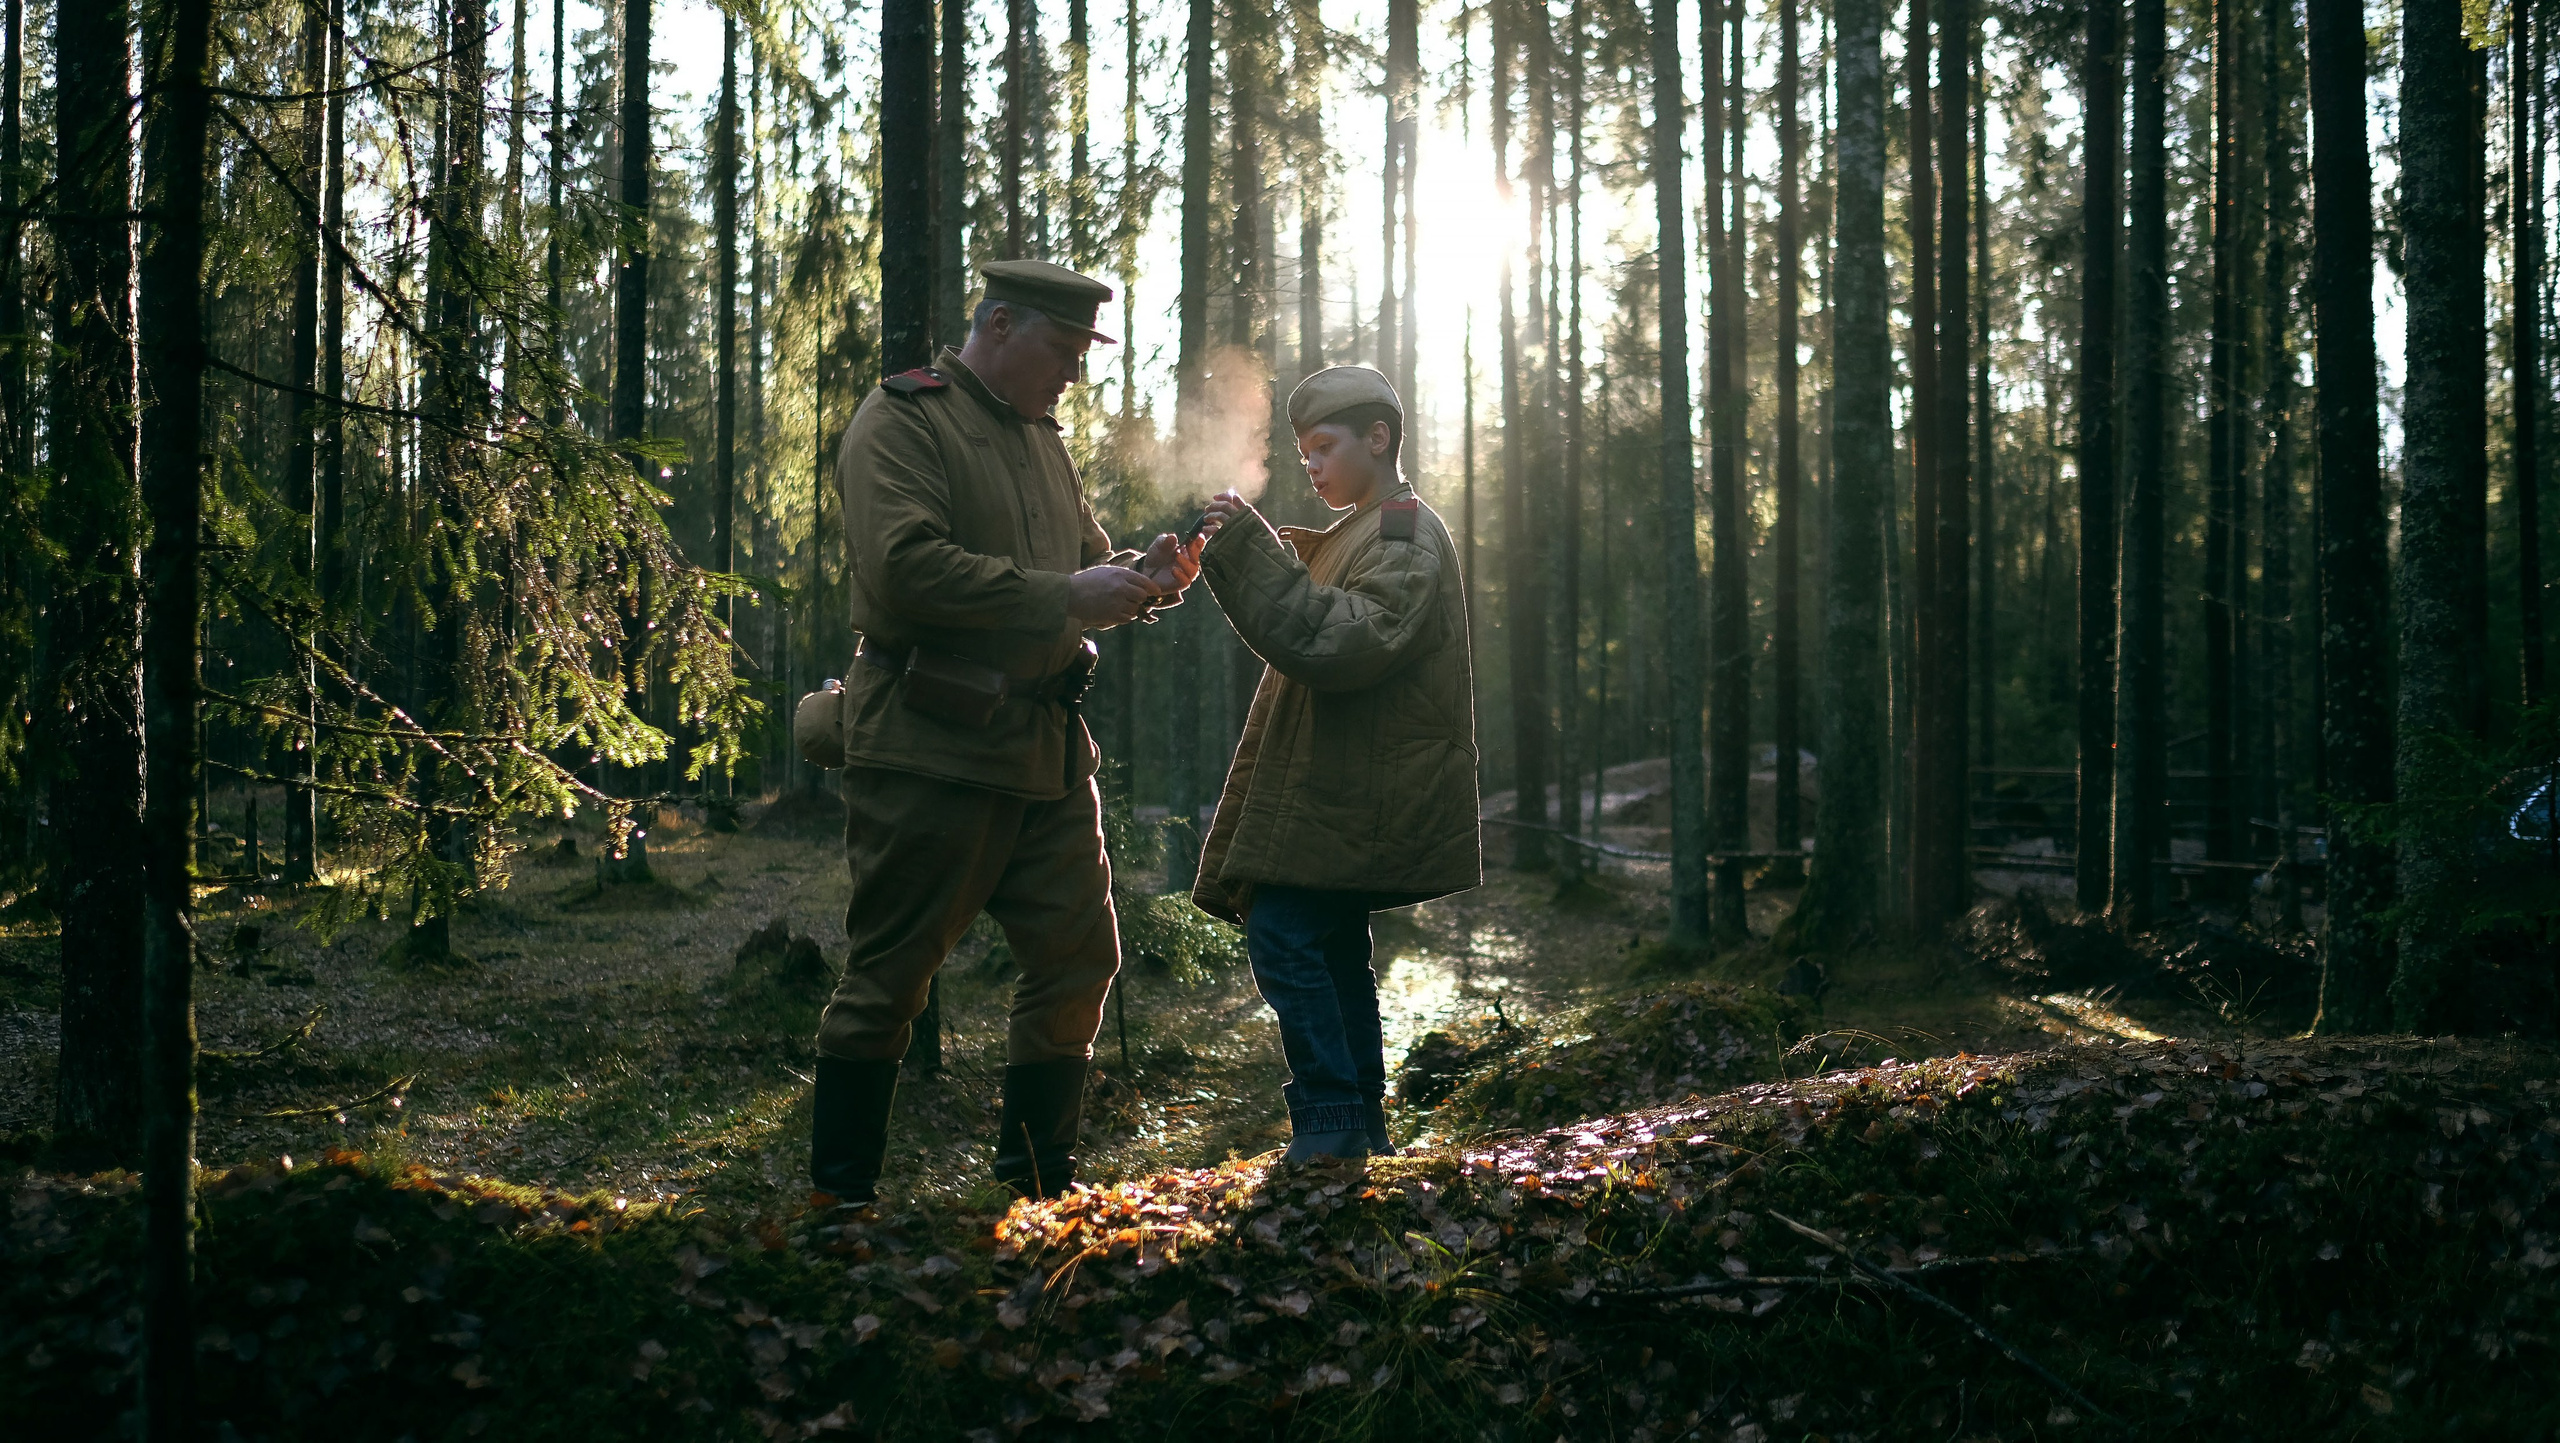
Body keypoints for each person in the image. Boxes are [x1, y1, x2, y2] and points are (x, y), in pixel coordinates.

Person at [811, 259, 1201, 1206]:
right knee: (890, 980)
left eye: (1080, 355)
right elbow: (906, 569)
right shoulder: (903, 418)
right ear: (997, 325)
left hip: (1046, 755)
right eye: (1062, 350)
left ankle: (1035, 1194)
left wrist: (1141, 572)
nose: (1073, 373)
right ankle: (840, 1204)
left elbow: (1075, 566)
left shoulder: (1039, 441)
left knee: (1079, 961)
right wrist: (1071, 592)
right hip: (931, 747)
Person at [1189, 365, 1481, 1162]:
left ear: (1378, 439)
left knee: (1285, 936)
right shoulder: (1364, 528)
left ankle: (1332, 1121)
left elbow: (1349, 640)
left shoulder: (1402, 531)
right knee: (1330, 948)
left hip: (1356, 795)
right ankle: (1358, 1128)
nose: (1311, 466)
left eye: (1325, 447)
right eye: (1304, 451)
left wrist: (1252, 551)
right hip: (1339, 791)